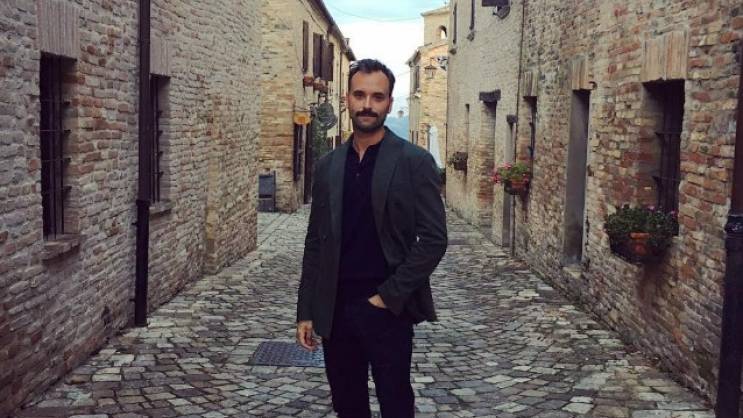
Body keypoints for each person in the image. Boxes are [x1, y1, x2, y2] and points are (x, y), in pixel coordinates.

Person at [295, 58, 448, 418]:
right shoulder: (328, 166)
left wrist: (389, 295)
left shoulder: (414, 162)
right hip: (336, 309)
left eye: (377, 97)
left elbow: (434, 239)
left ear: (389, 104)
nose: (367, 105)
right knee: (347, 405)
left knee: (396, 403)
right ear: (347, 98)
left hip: (387, 310)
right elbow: (316, 242)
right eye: (360, 95)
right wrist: (306, 310)